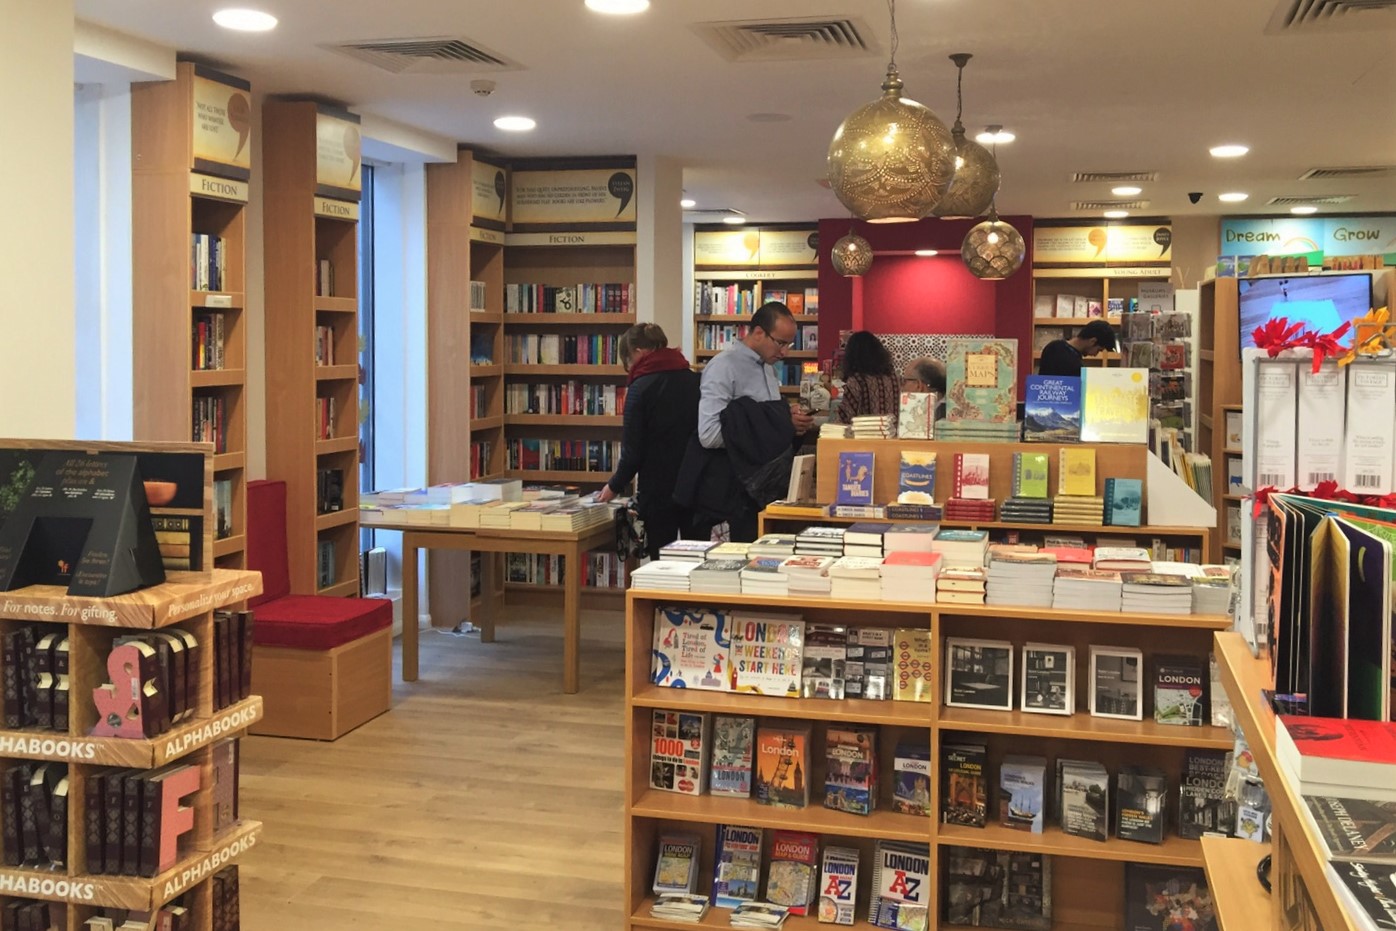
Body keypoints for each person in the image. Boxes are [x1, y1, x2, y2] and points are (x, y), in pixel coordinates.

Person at [676, 301, 814, 541]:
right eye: (780, 343)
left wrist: (786, 418)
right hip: (728, 495)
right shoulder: (723, 367)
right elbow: (708, 434)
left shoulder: (768, 368)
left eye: (789, 344)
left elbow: (762, 420)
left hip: (760, 491)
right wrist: (775, 425)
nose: (785, 353)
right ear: (759, 332)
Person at [597, 323, 700, 560]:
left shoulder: (640, 388)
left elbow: (633, 452)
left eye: (628, 359)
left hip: (659, 490)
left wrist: (613, 486)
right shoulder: (695, 381)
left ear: (639, 351)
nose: (630, 366)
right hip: (695, 485)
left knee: (662, 564)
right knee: (696, 561)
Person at [833, 331, 900, 425]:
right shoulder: (895, 379)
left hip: (866, 436)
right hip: (894, 435)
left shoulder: (857, 381)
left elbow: (845, 417)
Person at [1038, 319, 1118, 377]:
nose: (1095, 354)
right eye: (1098, 350)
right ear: (1092, 341)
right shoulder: (1063, 355)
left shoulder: (1054, 347)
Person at [902, 356, 948, 423]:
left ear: (919, 385)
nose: (902, 387)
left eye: (904, 381)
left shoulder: (933, 420)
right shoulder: (951, 410)